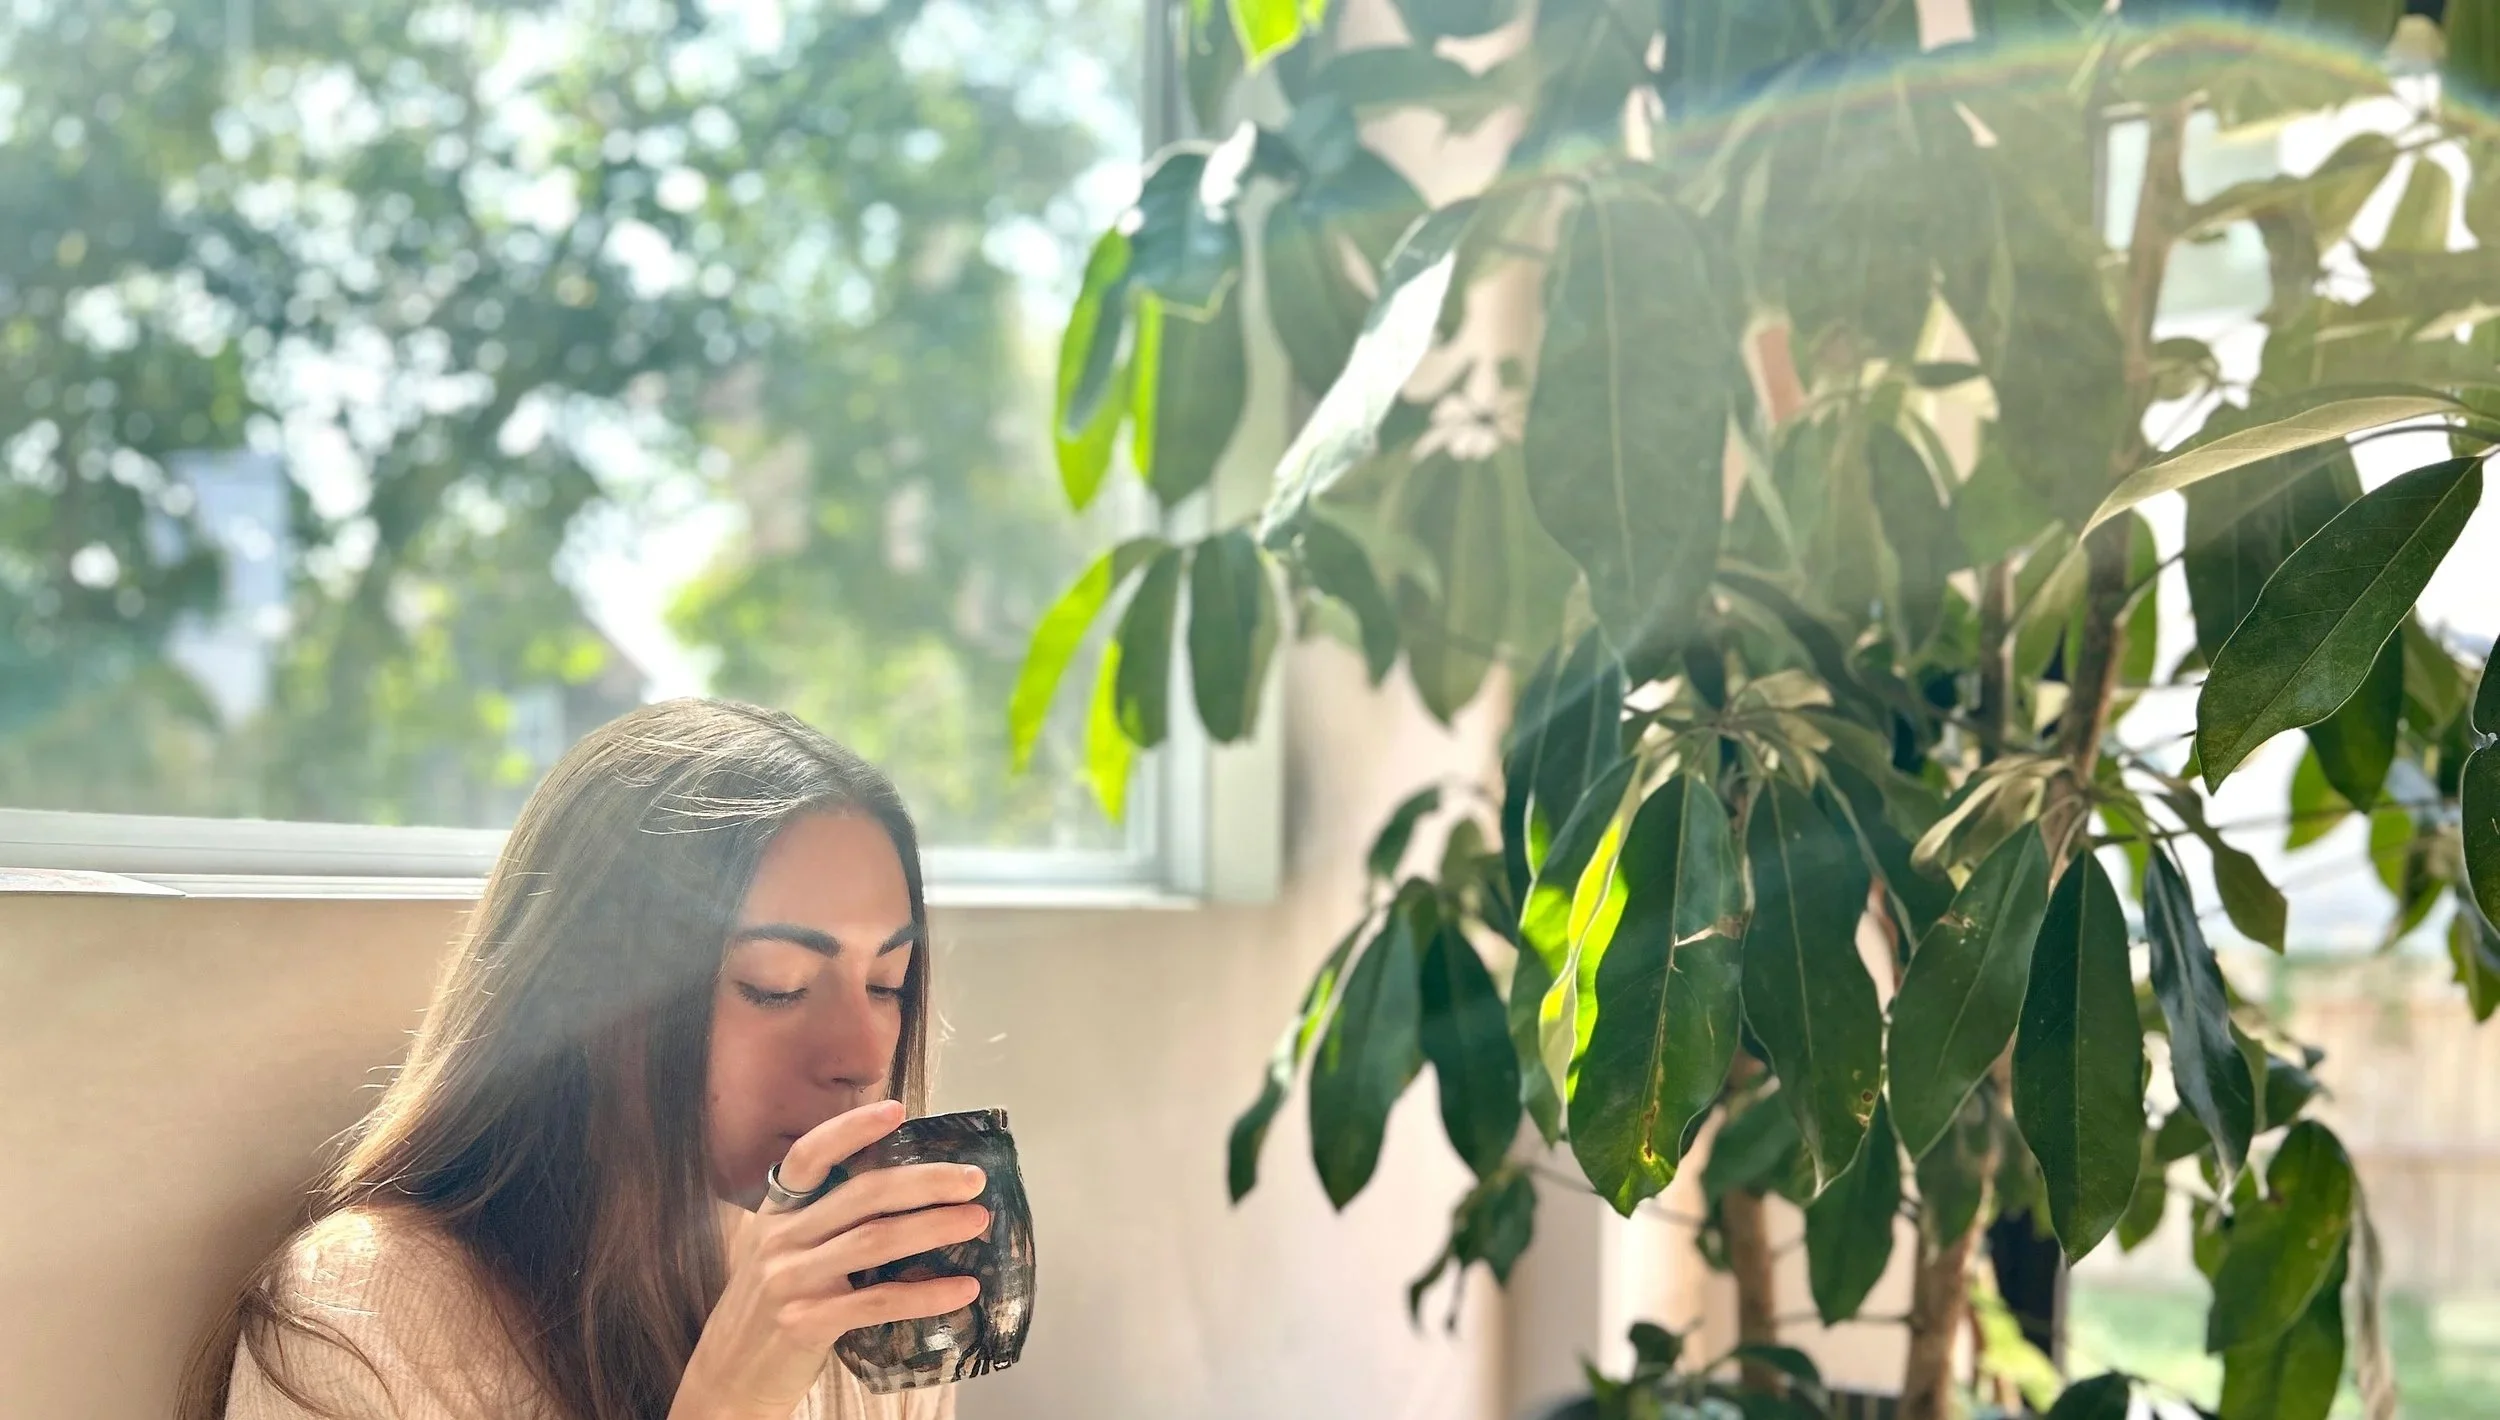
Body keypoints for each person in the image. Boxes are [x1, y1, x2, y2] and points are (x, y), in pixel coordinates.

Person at [178, 700, 990, 1420]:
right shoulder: (356, 1323)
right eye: (773, 986)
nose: (857, 1053)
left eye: (887, 983)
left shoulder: (877, 1301)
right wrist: (735, 1399)